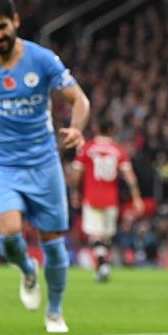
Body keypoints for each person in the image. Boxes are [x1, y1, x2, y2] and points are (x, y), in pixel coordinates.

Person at [0, 0, 90, 333]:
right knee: (8, 232)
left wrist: (77, 128)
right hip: (0, 167)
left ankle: (54, 311)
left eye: (1, 26)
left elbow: (79, 100)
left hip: (44, 165)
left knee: (53, 244)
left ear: (15, 21)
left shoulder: (42, 60)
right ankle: (27, 270)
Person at [69, 118, 144, 283]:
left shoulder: (87, 148)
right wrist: (136, 197)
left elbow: (76, 173)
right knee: (106, 237)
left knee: (95, 236)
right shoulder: (118, 150)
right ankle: (102, 267)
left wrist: (75, 192)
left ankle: (102, 265)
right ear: (112, 130)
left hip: (92, 197)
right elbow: (129, 175)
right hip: (111, 199)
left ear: (97, 128)